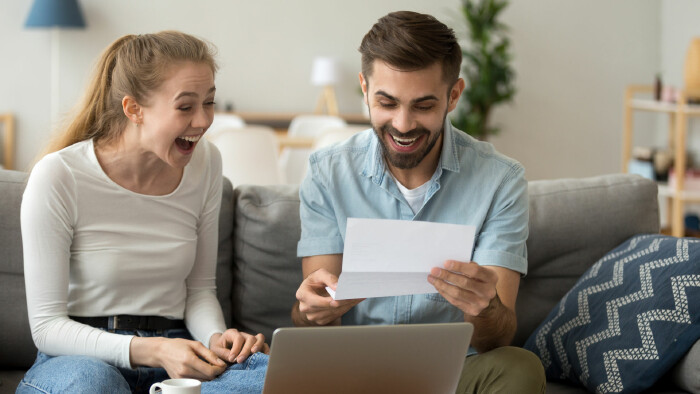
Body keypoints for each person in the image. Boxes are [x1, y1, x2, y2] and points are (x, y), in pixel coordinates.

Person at [291, 11, 546, 393]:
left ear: (453, 96)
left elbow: (497, 338)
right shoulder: (327, 173)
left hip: (455, 372)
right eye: (387, 103)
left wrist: (485, 306)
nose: (404, 124)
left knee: (520, 367)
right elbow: (311, 321)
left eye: (423, 106)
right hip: (356, 373)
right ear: (364, 89)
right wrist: (313, 310)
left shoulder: (500, 181)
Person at [18, 31, 268, 393]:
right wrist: (152, 350)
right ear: (133, 109)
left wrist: (216, 338)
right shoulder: (60, 175)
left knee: (265, 376)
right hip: (82, 358)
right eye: (185, 107)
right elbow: (46, 327)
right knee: (93, 384)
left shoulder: (207, 163)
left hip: (181, 350)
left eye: (209, 103)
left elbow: (199, 291)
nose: (203, 121)